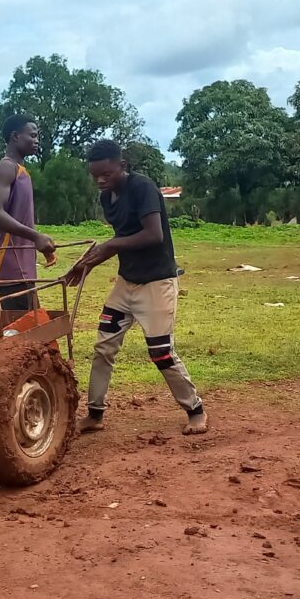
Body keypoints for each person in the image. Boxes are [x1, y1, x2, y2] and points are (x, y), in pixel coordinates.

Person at [66, 139, 208, 436]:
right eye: (95, 176)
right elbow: (123, 238)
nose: (101, 181)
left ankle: (195, 410)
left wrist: (112, 245)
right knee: (104, 346)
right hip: (126, 283)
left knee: (161, 353)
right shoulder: (108, 199)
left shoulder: (142, 188)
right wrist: (88, 262)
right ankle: (95, 414)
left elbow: (153, 235)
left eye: (106, 174)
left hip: (156, 283)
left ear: (122, 166)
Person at [0, 113, 57, 310]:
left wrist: (37, 243)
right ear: (15, 136)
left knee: (29, 328)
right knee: (25, 332)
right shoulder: (7, 167)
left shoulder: (20, 170)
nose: (36, 141)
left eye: (37, 136)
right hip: (8, 264)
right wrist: (35, 236)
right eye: (32, 136)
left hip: (20, 264)